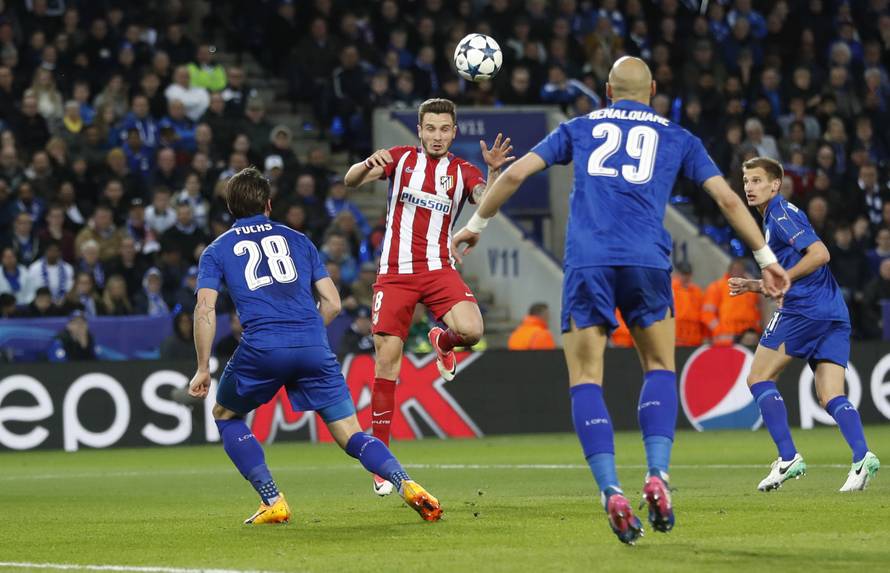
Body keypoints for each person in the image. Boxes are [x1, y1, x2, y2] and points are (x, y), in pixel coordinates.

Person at [451, 57, 789, 544]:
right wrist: (764, 256)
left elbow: (515, 174)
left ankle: (610, 489)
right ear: (652, 88)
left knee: (586, 377)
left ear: (608, 89)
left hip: (588, 262)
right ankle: (657, 476)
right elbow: (729, 200)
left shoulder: (579, 127)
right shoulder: (677, 137)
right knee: (658, 367)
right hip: (647, 264)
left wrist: (476, 226)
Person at [187, 167, 442, 525]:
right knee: (352, 435)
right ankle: (406, 483)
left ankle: (272, 499)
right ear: (269, 204)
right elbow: (334, 304)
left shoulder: (216, 250)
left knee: (225, 414)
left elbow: (204, 309)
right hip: (312, 345)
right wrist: (305, 333)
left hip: (263, 348)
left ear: (230, 207)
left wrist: (202, 367)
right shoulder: (299, 239)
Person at [343, 98, 514, 495]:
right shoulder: (400, 159)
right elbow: (351, 181)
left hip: (438, 269)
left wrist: (493, 174)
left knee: (472, 329)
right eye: (430, 128)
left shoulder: (462, 171)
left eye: (444, 129)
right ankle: (381, 461)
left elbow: (484, 201)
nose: (437, 136)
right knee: (387, 363)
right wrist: (367, 163)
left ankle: (443, 338)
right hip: (395, 275)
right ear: (419, 130)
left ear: (454, 133)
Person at [730, 157, 880, 491]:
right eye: (746, 181)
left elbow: (820, 254)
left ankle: (788, 457)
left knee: (759, 377)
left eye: (756, 181)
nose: (749, 188)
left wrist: (782, 278)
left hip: (805, 311)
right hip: (832, 312)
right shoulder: (777, 217)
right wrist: (755, 285)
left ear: (775, 185)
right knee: (830, 395)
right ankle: (862, 457)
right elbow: (788, 272)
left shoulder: (781, 216)